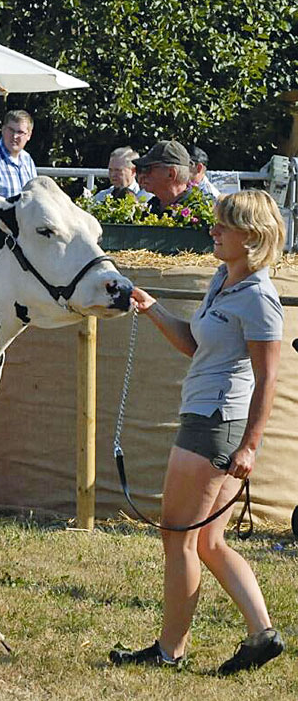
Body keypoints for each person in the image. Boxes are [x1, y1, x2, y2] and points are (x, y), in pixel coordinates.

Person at [110, 190, 285, 675]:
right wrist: (152, 308)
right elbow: (194, 343)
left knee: (178, 537)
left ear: (250, 237)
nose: (213, 231)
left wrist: (249, 445)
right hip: (210, 421)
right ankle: (261, 634)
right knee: (206, 541)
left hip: (214, 426)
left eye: (223, 226)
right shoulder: (224, 281)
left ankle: (170, 651)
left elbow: (269, 379)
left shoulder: (259, 299)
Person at [133, 140, 195, 216]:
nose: (142, 175)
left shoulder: (198, 212)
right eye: (141, 170)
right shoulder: (151, 207)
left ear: (171, 174)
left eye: (148, 169)